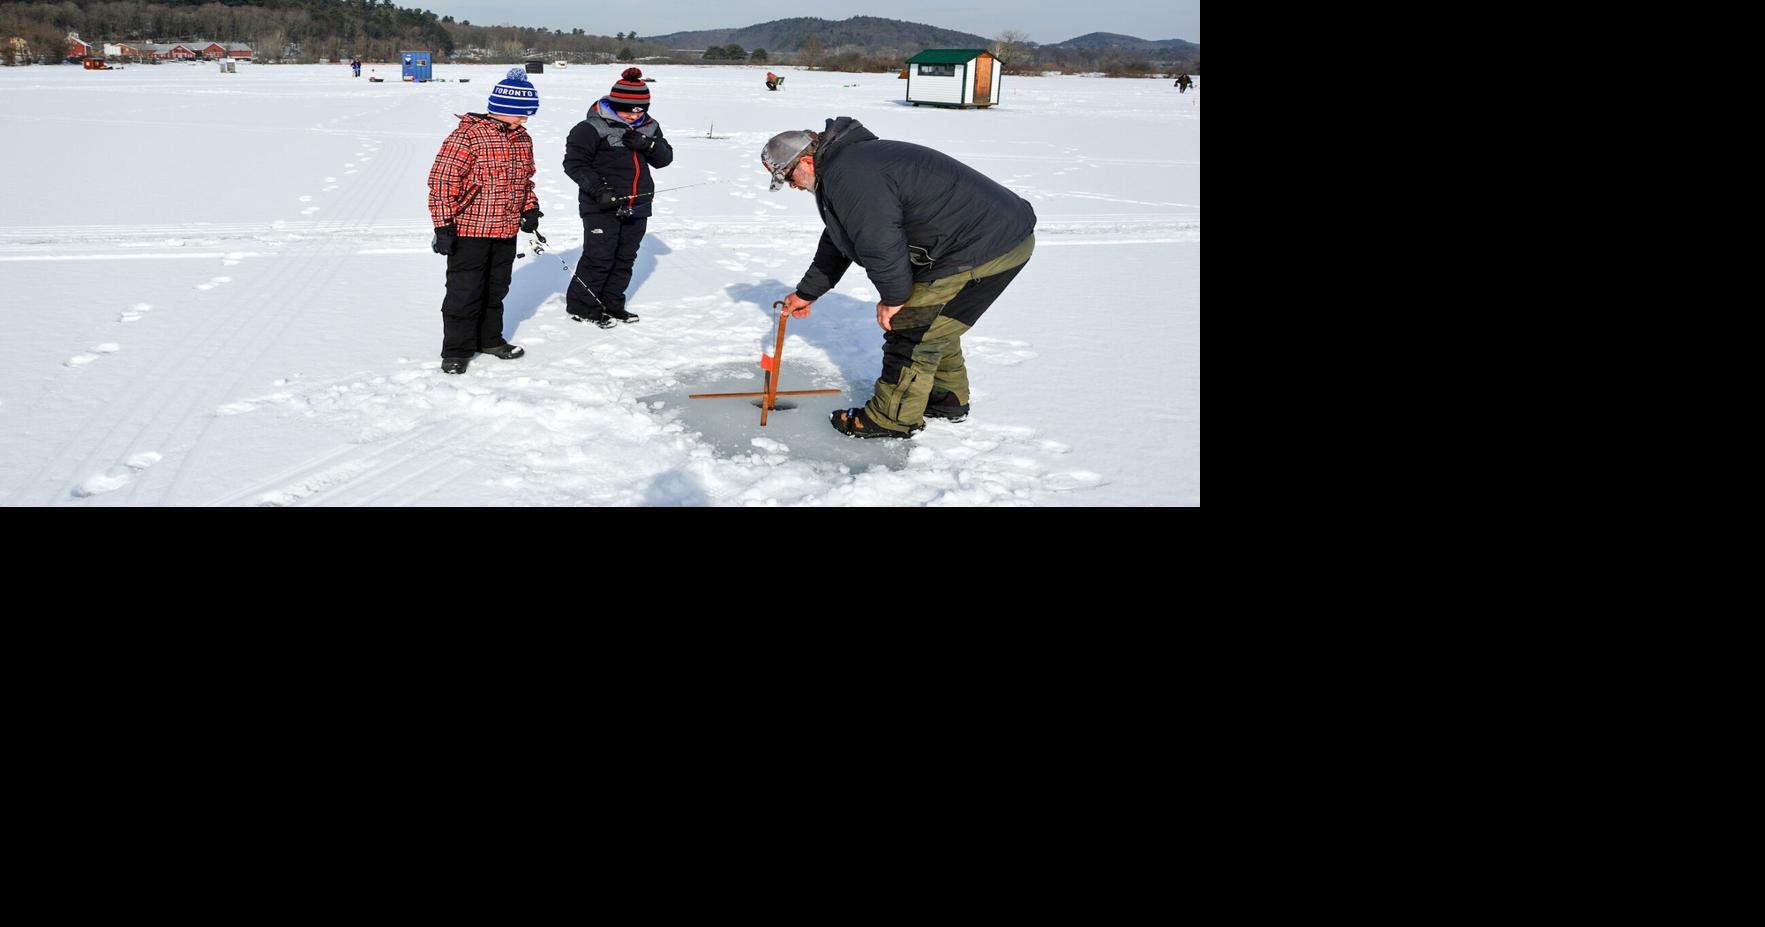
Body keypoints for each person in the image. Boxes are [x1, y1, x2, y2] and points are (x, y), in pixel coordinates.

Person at [764, 118, 1037, 438]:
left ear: (806, 162)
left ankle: (890, 419)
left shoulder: (849, 174)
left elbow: (879, 242)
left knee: (911, 330)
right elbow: (841, 237)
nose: (793, 186)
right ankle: (946, 399)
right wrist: (807, 292)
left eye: (789, 177)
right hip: (991, 238)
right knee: (934, 324)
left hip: (982, 246)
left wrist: (894, 299)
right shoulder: (845, 166)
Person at [425, 67, 543, 375]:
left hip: (506, 230)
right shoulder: (467, 136)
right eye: (521, 113)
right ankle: (456, 350)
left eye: (528, 114)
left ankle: (489, 340)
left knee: (496, 289)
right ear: (502, 108)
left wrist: (530, 208)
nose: (525, 119)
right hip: (470, 230)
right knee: (464, 292)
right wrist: (443, 225)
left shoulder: (522, 138)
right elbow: (442, 182)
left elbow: (524, 181)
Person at [561, 67, 673, 327]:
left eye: (640, 111)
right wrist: (598, 191)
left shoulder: (649, 126)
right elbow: (574, 164)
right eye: (628, 111)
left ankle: (612, 304)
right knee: (599, 257)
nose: (634, 116)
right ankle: (583, 307)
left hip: (638, 204)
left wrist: (648, 144)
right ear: (614, 104)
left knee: (625, 258)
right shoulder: (590, 128)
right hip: (600, 206)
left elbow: (664, 159)